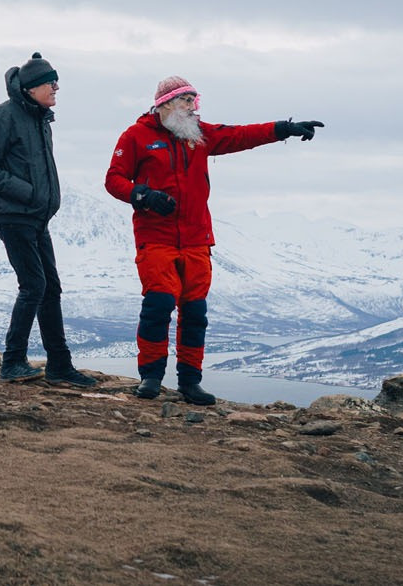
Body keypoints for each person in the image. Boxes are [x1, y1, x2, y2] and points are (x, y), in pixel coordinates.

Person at [104, 75, 323, 405]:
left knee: (195, 312)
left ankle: (190, 382)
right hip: (156, 237)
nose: (193, 107)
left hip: (196, 238)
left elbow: (241, 135)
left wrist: (284, 129)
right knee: (158, 306)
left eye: (194, 100)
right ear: (165, 104)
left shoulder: (199, 134)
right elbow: (114, 179)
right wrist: (144, 195)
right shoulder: (136, 136)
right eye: (186, 100)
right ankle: (151, 377)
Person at [0, 52, 96, 386]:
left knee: (50, 287)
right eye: (50, 82)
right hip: (13, 215)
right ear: (31, 87)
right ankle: (12, 362)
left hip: (37, 218)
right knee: (34, 286)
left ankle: (59, 366)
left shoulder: (40, 119)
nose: (56, 88)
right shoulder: (4, 115)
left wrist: (42, 201)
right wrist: (27, 193)